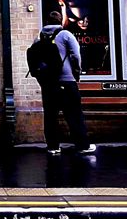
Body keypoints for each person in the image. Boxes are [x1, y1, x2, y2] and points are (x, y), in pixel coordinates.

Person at [40, 11, 96, 156]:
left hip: (48, 84)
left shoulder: (39, 37)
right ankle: (82, 145)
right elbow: (76, 55)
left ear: (47, 21)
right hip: (66, 81)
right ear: (60, 21)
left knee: (50, 116)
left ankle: (53, 147)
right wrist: (76, 72)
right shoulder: (65, 35)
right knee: (74, 114)